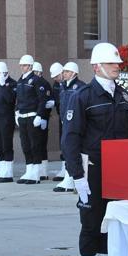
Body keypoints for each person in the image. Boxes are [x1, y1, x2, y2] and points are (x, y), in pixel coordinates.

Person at [62, 42, 128, 256]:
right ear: (96, 66)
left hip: (118, 172)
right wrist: (77, 176)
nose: (117, 66)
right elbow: (70, 139)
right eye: (112, 63)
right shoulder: (82, 97)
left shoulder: (125, 96)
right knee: (91, 224)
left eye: (117, 63)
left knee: (111, 226)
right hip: (91, 170)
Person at [54, 62, 85, 193]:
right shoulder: (63, 86)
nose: (64, 74)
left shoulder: (80, 87)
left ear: (73, 73)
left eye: (66, 71)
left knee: (72, 149)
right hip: (64, 122)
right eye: (64, 71)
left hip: (74, 123)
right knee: (66, 149)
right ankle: (68, 177)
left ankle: (72, 178)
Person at [15, 55, 46, 184]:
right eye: (21, 65)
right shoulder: (20, 80)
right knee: (25, 145)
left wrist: (39, 115)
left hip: (32, 116)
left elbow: (42, 99)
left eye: (24, 65)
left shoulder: (36, 80)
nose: (22, 68)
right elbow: (18, 98)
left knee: (35, 145)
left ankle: (36, 173)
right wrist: (16, 112)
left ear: (30, 66)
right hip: (22, 116)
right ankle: (29, 171)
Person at [0, 62, 17, 183]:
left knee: (6, 144)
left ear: (5, 72)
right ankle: (2, 170)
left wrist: (4, 87)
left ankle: (8, 172)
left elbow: (10, 100)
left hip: (6, 118)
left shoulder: (12, 84)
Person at [32, 61, 55, 180]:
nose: (35, 74)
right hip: (34, 117)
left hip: (42, 118)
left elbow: (48, 101)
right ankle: (38, 169)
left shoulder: (44, 84)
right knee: (35, 144)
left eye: (36, 72)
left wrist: (44, 117)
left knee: (41, 143)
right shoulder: (33, 83)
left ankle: (43, 170)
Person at [49, 62, 66, 182]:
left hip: (69, 117)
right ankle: (63, 167)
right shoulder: (56, 84)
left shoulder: (66, 83)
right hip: (61, 116)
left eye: (56, 76)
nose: (55, 79)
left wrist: (56, 102)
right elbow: (55, 96)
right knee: (62, 141)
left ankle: (67, 168)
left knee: (67, 142)